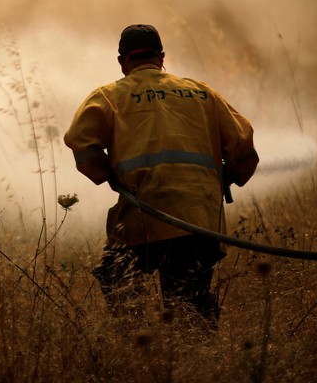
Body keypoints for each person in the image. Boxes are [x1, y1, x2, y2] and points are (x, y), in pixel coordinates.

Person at [64, 24, 259, 324]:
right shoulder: (202, 93)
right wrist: (226, 178)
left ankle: (137, 345)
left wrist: (109, 176)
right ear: (161, 57)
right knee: (189, 305)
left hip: (142, 213)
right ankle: (201, 356)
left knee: (119, 280)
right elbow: (245, 152)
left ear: (123, 61)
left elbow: (83, 147)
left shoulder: (108, 96)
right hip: (199, 218)